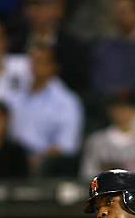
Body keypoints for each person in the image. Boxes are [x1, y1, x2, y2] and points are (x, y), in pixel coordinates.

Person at [10, 42, 83, 175]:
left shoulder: (66, 101)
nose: (34, 66)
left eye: (40, 61)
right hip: (13, 160)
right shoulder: (17, 96)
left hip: (44, 163)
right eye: (32, 61)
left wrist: (38, 158)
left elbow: (67, 146)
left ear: (53, 67)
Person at [11, 0, 90, 94]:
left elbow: (79, 88)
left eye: (42, 4)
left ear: (59, 8)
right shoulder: (13, 43)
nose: (36, 9)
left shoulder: (75, 49)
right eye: (31, 3)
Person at [80, 91, 135, 180]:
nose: (121, 112)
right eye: (116, 108)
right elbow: (87, 174)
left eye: (126, 108)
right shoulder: (97, 140)